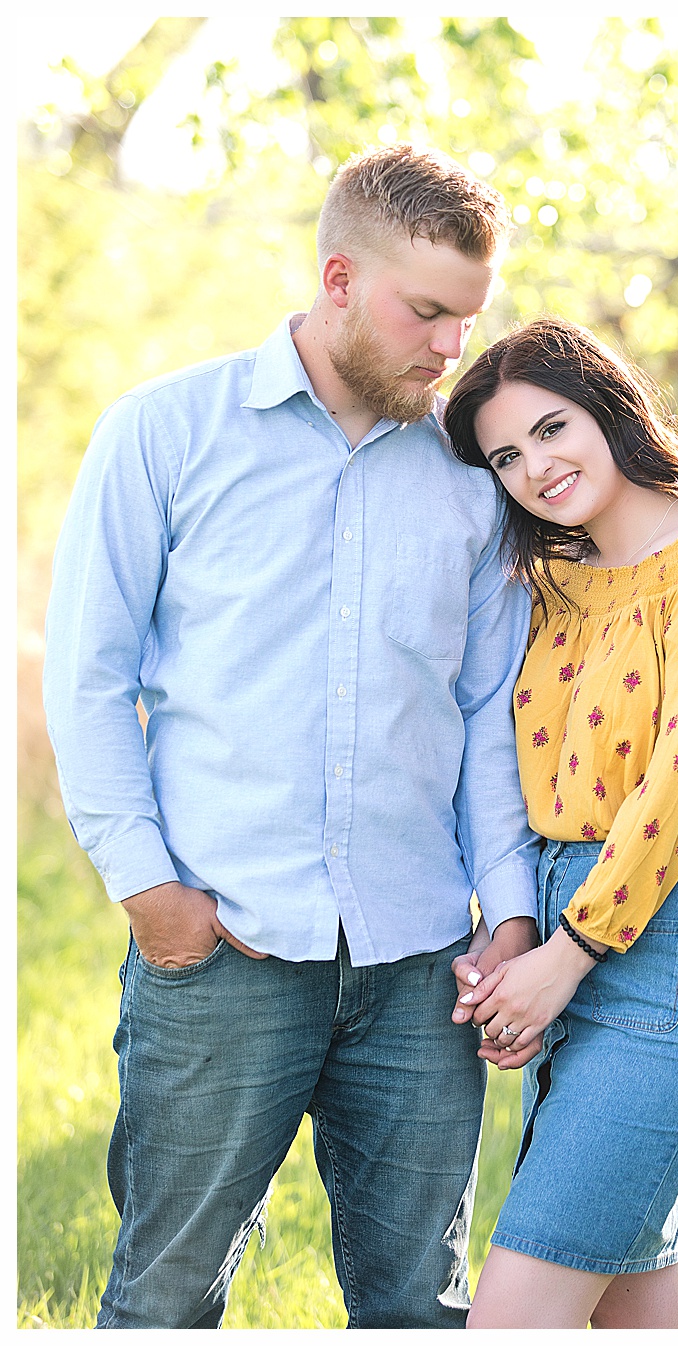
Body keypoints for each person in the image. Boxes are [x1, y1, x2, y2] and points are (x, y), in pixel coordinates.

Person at [41, 143, 540, 1327]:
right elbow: (90, 677)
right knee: (163, 1294)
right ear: (337, 279)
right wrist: (149, 891)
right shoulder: (164, 432)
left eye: (468, 320)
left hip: (422, 967)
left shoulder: (477, 481)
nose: (449, 349)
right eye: (427, 312)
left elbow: (487, 714)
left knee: (420, 1306)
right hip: (223, 952)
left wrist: (510, 909)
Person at [440, 315, 678, 1329]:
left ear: (607, 405)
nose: (534, 468)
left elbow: (676, 794)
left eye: (552, 429)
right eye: (506, 455)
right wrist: (515, 928)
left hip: (672, 967)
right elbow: (507, 770)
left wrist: (568, 955)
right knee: (628, 1308)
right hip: (566, 941)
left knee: (514, 1312)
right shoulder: (554, 587)